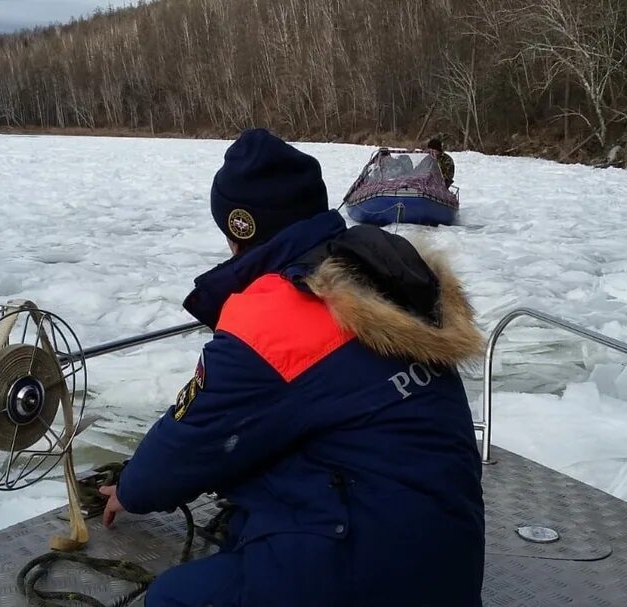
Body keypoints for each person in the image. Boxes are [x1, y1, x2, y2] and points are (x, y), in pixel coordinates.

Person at [100, 128, 485, 607]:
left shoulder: (275, 318)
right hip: (449, 567)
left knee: (172, 598)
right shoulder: (385, 275)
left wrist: (132, 489)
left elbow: (190, 439)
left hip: (376, 576)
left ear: (240, 230)